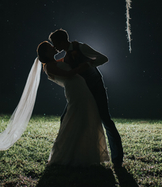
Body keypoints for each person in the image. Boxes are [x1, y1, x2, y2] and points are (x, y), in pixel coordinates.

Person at [49, 29, 124, 167]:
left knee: (105, 119)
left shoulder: (81, 47)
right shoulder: (65, 57)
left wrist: (88, 64)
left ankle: (118, 159)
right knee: (65, 118)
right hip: (82, 92)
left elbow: (103, 58)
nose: (54, 47)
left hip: (95, 87)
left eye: (55, 43)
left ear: (62, 41)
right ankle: (70, 153)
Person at [37, 41, 110, 167]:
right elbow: (68, 74)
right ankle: (67, 154)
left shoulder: (56, 62)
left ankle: (85, 153)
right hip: (75, 90)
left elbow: (67, 60)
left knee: (86, 117)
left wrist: (73, 52)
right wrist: (84, 66)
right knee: (75, 117)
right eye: (50, 47)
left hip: (81, 87)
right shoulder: (48, 66)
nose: (53, 46)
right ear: (46, 53)